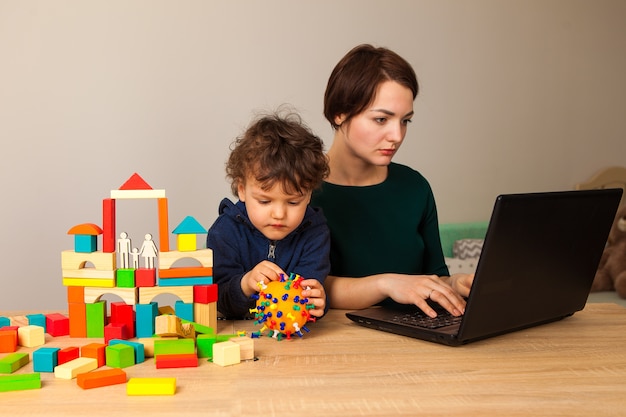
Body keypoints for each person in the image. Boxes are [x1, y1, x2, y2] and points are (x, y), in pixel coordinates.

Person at [310, 44, 473, 318]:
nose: (396, 135)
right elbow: (305, 288)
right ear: (339, 112)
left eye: (405, 121)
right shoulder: (299, 191)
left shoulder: (415, 187)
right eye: (381, 119)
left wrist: (453, 284)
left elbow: (431, 277)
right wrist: (386, 284)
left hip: (419, 338)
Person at [207, 109, 330, 319]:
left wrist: (318, 303)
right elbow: (217, 299)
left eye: (293, 202)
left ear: (308, 195)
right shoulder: (224, 232)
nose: (279, 214)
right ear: (242, 190)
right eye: (265, 201)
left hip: (292, 340)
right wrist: (245, 284)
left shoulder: (315, 233)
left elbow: (308, 296)